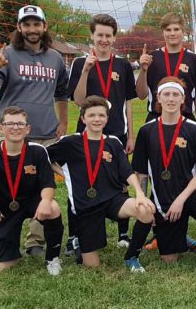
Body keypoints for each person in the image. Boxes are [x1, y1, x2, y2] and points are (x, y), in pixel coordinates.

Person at [0, 4, 69, 260]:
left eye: (37, 24)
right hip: (13, 133)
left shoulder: (56, 58)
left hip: (45, 132)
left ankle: (36, 241)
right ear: (19, 27)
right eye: (27, 24)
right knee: (2, 187)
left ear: (44, 26)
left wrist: (63, 122)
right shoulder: (8, 55)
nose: (32, 29)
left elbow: (61, 93)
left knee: (42, 187)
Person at [123, 77, 196, 273]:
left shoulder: (194, 129)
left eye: (175, 94)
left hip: (188, 193)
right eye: (166, 94)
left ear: (183, 99)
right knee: (169, 259)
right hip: (163, 198)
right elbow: (142, 172)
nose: (171, 99)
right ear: (158, 99)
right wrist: (142, 198)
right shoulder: (147, 130)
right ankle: (179, 237)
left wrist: (181, 199)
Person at [48, 96, 155, 268]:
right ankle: (79, 245)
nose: (96, 119)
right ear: (83, 118)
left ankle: (132, 257)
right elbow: (44, 158)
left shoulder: (113, 143)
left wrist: (140, 194)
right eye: (91, 115)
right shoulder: (70, 142)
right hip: (87, 205)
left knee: (145, 209)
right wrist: (66, 173)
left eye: (101, 115)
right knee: (92, 266)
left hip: (113, 199)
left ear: (106, 118)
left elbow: (127, 171)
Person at [68, 13, 137, 251]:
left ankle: (123, 234)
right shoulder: (79, 63)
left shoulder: (123, 65)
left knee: (121, 182)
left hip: (116, 133)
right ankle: (74, 236)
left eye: (108, 36)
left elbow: (128, 101)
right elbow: (78, 100)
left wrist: (131, 135)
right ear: (92, 36)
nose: (104, 40)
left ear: (114, 38)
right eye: (100, 35)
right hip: (87, 134)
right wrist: (87, 70)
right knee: (82, 181)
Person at [0, 106, 64, 275]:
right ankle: (1, 249)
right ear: (1, 127)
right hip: (8, 208)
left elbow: (48, 184)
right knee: (6, 267)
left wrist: (45, 201)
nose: (15, 128)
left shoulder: (38, 151)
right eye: (10, 123)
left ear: (27, 129)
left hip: (34, 202)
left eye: (20, 124)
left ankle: (52, 258)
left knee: (53, 208)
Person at [135, 12, 196, 127]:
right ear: (163, 32)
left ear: (183, 32)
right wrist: (143, 71)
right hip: (156, 118)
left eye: (176, 29)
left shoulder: (194, 60)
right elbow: (141, 95)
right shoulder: (152, 58)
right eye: (168, 30)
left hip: (185, 118)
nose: (172, 33)